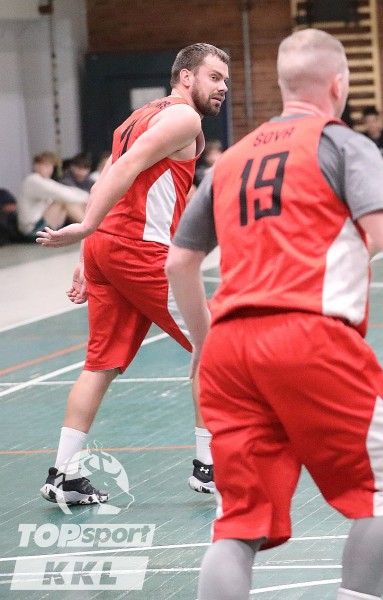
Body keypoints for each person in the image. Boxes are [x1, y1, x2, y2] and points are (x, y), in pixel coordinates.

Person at [164, 29, 383, 600]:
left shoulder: (231, 159)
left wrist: (204, 343)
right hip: (307, 335)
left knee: (238, 523)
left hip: (228, 351)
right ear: (338, 84)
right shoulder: (343, 145)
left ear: (282, 84)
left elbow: (180, 262)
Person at [35, 43, 231, 506]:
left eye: (225, 80)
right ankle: (210, 467)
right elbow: (122, 168)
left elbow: (112, 173)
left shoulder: (139, 116)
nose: (223, 87)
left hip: (110, 248)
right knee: (217, 346)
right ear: (186, 77)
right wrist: (86, 227)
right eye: (215, 77)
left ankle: (63, 475)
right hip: (139, 250)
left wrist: (89, 251)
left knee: (100, 363)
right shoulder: (184, 119)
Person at [16, 151, 88, 238]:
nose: (50, 169)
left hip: (42, 223)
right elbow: (62, 194)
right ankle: (89, 229)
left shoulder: (45, 181)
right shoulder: (33, 180)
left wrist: (89, 197)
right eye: (46, 166)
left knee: (74, 201)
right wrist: (87, 198)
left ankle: (90, 228)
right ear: (36, 166)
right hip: (31, 229)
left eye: (51, 166)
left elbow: (66, 189)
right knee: (64, 202)